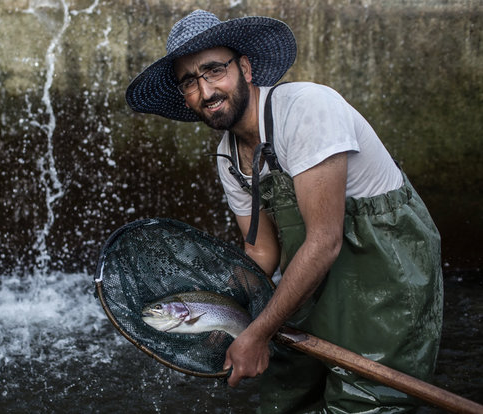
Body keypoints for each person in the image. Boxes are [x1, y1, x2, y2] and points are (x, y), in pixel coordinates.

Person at [126, 9, 443, 413]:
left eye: (214, 70)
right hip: (315, 275)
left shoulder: (307, 110)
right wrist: (222, 310)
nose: (206, 92)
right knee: (283, 398)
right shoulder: (228, 156)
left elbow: (325, 241)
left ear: (245, 67)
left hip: (387, 269)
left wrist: (257, 333)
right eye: (190, 81)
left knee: (367, 402)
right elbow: (261, 252)